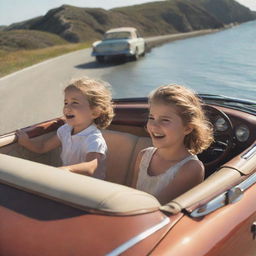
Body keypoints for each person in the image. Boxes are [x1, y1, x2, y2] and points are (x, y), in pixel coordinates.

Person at [16, 76, 114, 179]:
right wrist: (26, 142)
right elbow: (43, 147)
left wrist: (66, 169)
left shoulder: (93, 138)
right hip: (68, 180)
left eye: (75, 103)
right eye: (66, 103)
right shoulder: (65, 130)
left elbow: (91, 167)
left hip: (90, 187)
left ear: (95, 112)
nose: (67, 107)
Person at [134, 84, 213, 204]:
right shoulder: (144, 155)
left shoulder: (191, 169)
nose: (154, 125)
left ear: (187, 128)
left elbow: (157, 208)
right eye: (151, 118)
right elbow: (130, 195)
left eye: (165, 120)